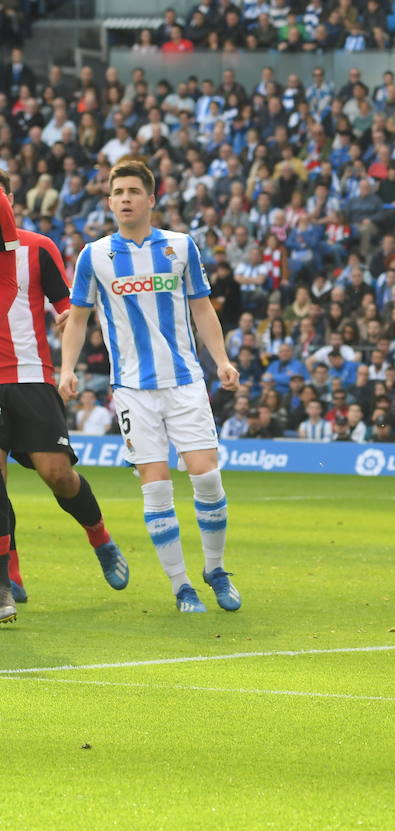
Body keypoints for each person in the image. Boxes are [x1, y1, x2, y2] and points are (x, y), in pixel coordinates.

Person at [57, 158, 242, 614]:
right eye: (118, 192)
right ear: (109, 201)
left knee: (208, 478)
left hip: (184, 382)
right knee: (156, 489)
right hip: (132, 390)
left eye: (133, 192)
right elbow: (77, 319)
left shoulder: (180, 246)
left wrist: (221, 360)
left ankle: (216, 570)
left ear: (151, 199)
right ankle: (182, 587)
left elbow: (202, 308)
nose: (125, 199)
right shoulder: (94, 255)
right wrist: (67, 368)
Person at [0, 170, 130, 612]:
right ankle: (10, 573)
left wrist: (67, 319)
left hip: (31, 376)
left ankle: (100, 536)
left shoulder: (38, 248)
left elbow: (67, 307)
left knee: (57, 474)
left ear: (12, 199)